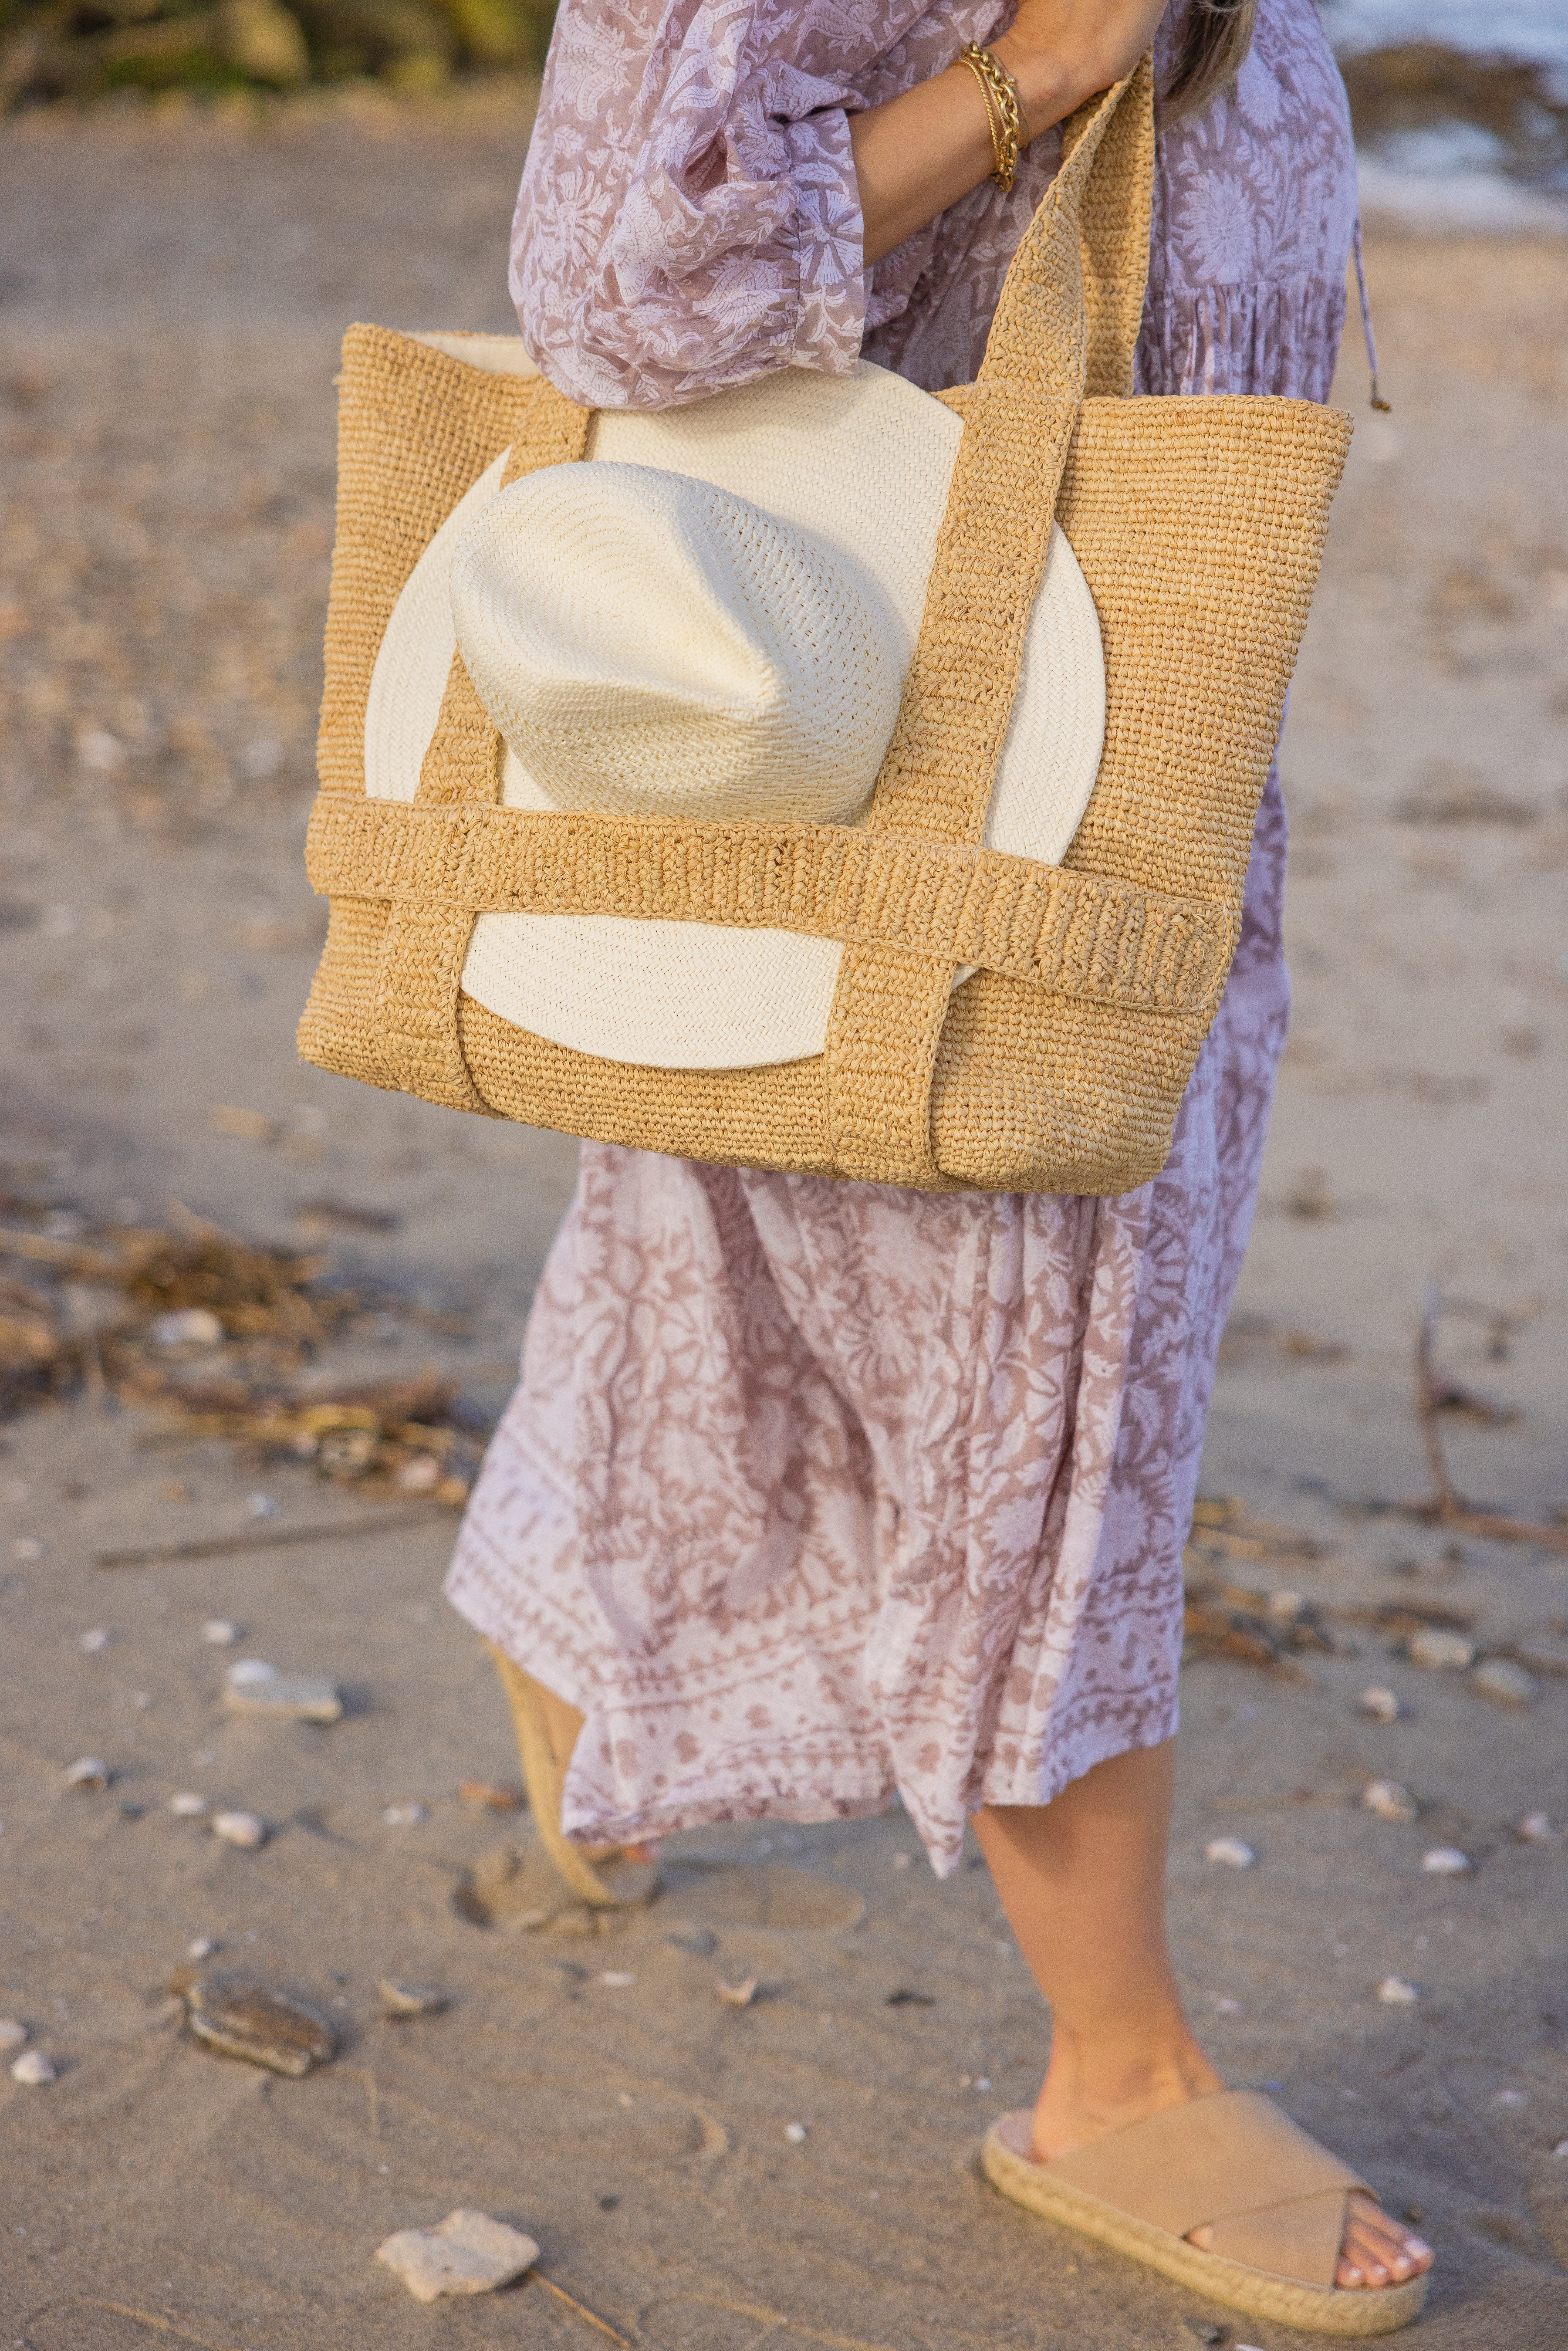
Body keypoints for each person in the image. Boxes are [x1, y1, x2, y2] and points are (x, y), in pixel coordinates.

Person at [446, 0, 1436, 2320]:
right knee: (1053, 1336)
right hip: (959, 739)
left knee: (755, 1170)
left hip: (1085, 718)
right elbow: (619, 271)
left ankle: (583, 1626)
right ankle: (1120, 2064)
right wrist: (1051, 73)